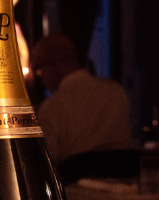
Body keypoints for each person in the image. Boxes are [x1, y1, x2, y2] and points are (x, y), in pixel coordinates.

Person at [30, 33, 135, 166]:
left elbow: (45, 161)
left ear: (51, 66)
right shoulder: (116, 91)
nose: (41, 78)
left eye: (39, 70)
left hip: (75, 178)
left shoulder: (53, 106)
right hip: (125, 175)